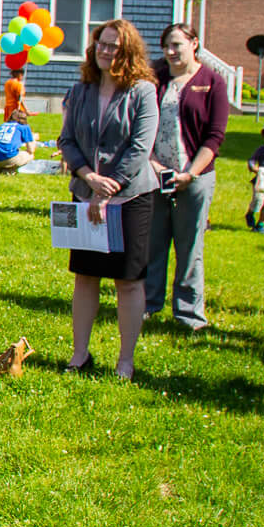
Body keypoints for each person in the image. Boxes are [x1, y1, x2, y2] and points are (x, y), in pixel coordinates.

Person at [59, 20, 160, 381]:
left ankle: (125, 362)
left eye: (113, 46)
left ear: (127, 51)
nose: (104, 51)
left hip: (131, 198)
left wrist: (109, 188)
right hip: (86, 194)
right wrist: (89, 178)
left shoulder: (143, 92)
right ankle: (80, 354)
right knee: (85, 276)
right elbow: (67, 140)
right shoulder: (81, 90)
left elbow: (140, 147)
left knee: (128, 280)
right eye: (101, 44)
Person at [144, 23, 230, 332]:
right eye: (166, 46)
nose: (171, 51)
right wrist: (153, 164)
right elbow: (141, 124)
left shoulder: (212, 82)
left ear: (194, 43)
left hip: (195, 176)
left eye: (177, 45)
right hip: (156, 174)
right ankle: (147, 304)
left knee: (190, 247)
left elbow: (215, 136)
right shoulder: (155, 79)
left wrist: (191, 174)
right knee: (153, 243)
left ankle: (189, 314)